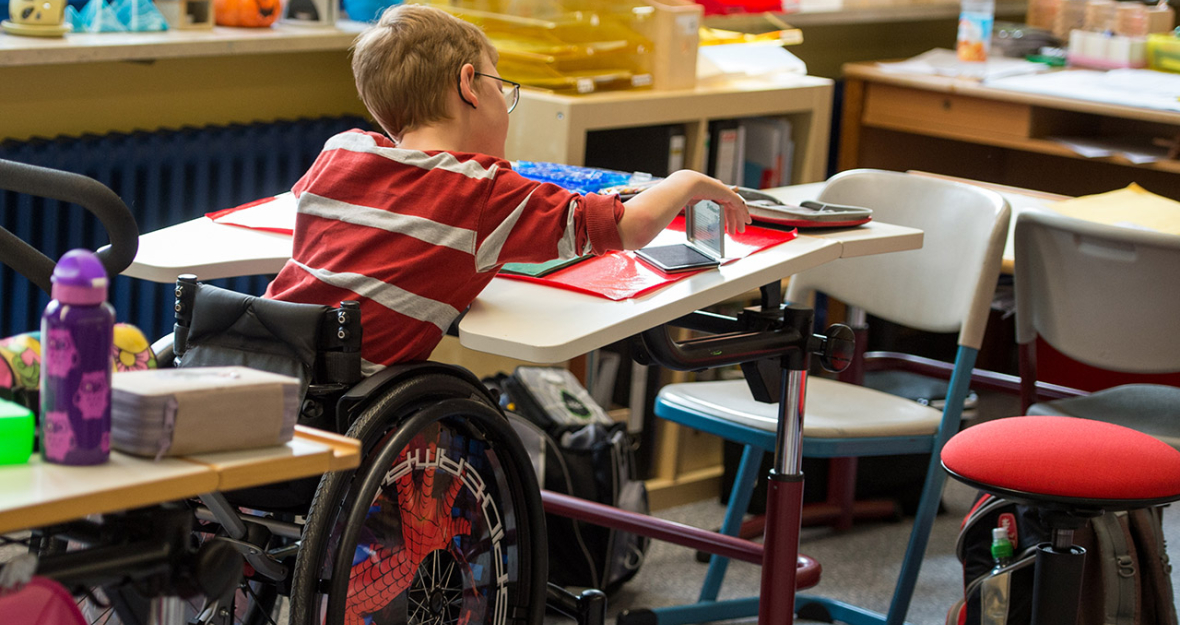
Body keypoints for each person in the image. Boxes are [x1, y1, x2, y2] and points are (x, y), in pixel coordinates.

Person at [265, 3, 750, 371]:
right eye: (502, 86)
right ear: (470, 85)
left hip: (267, 363)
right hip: (348, 397)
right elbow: (631, 227)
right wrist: (687, 181)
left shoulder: (343, 150)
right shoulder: (485, 192)